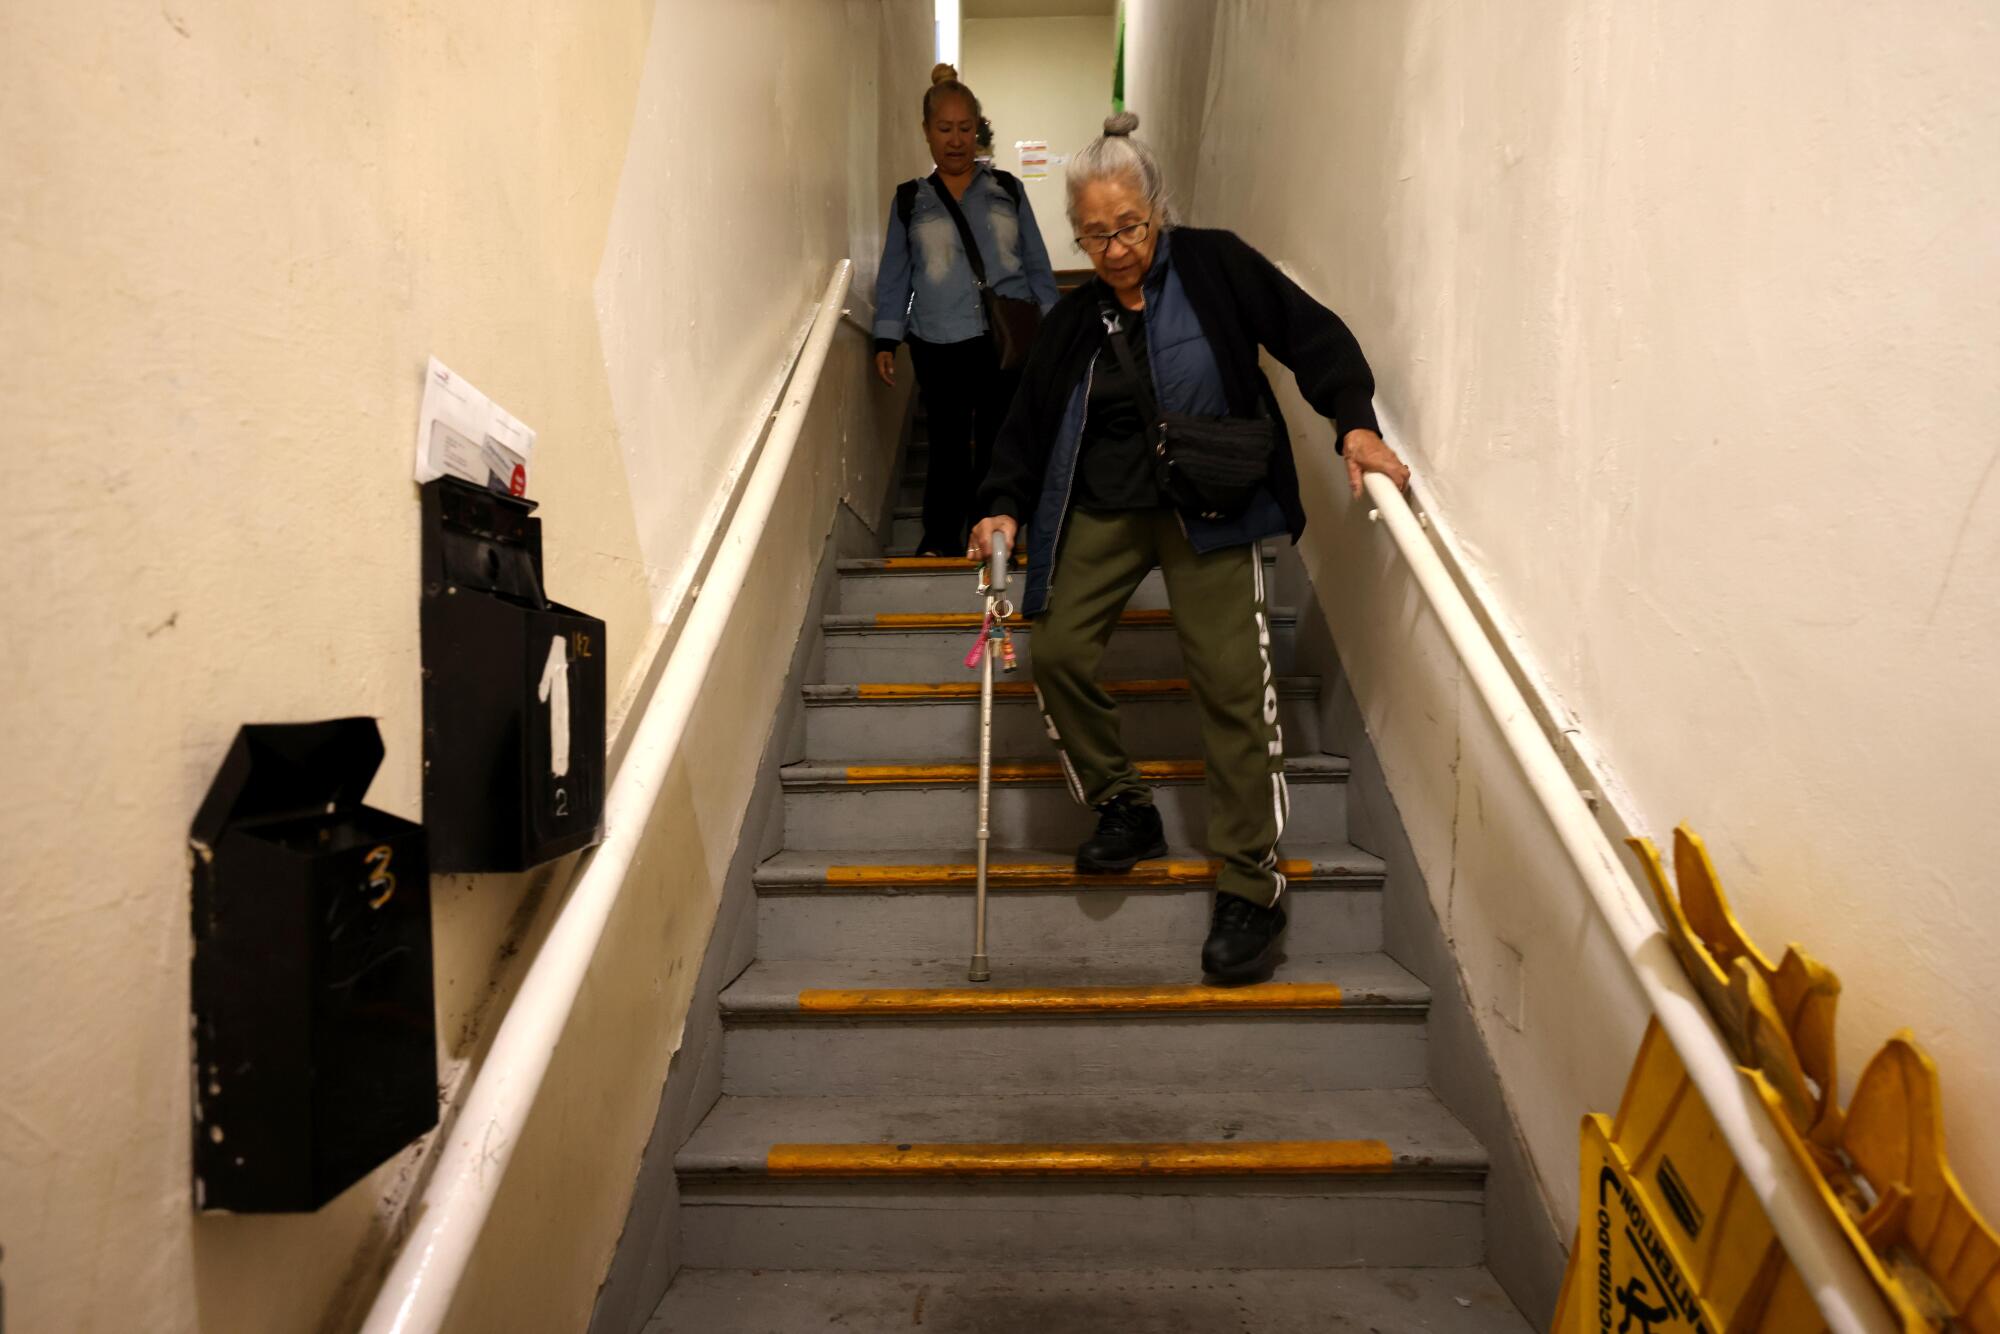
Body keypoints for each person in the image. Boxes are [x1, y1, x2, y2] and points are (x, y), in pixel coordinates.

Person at [969, 113, 1411, 984]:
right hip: (1106, 506)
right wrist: (1001, 507)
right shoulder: (1073, 319)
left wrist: (1353, 424)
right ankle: (1125, 805)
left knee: (1232, 686)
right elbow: (1024, 426)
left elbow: (1311, 335)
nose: (1116, 248)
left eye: (1129, 227)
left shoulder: (1216, 266)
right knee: (1054, 650)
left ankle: (1251, 882)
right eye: (1095, 235)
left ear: (1157, 208)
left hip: (1215, 504)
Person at [872, 64, 1060, 556]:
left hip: (1006, 337)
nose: (955, 140)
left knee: (1001, 439)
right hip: (937, 339)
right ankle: (940, 538)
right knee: (947, 444)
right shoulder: (911, 199)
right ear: (926, 132)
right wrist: (886, 337)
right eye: (944, 129)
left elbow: (1037, 264)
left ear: (977, 128)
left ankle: (996, 529)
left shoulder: (1007, 189)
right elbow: (895, 273)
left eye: (964, 128)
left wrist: (1054, 327)